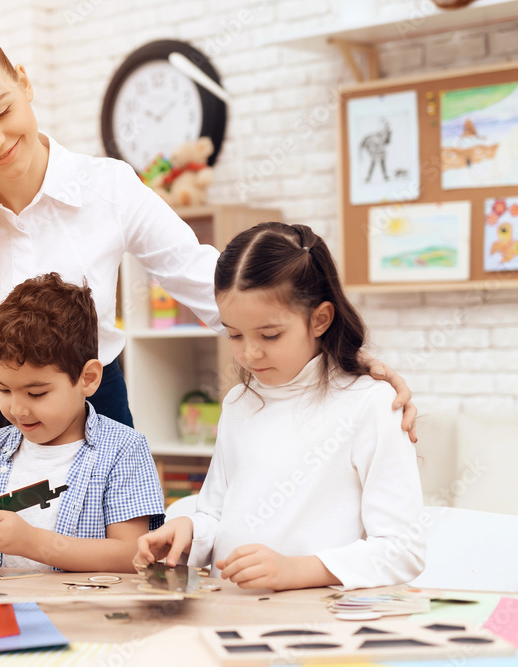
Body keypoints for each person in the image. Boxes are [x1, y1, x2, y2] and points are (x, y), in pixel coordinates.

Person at [0, 22, 419, 496]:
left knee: (112, 563)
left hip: (95, 403)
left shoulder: (108, 188)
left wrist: (344, 358)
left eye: (1, 111)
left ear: (24, 82)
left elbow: (207, 281)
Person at [134, 222, 426, 591]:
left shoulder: (371, 404)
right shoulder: (238, 403)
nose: (249, 353)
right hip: (232, 610)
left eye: (270, 335)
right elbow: (217, 514)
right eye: (234, 334)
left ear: (320, 319)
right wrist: (189, 530)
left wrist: (295, 570)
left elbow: (402, 549)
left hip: (317, 616)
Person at [0, 273, 165, 572]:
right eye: (4, 390)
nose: (18, 409)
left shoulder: (123, 450)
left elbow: (132, 556)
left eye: (36, 393)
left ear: (88, 378)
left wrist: (32, 542)